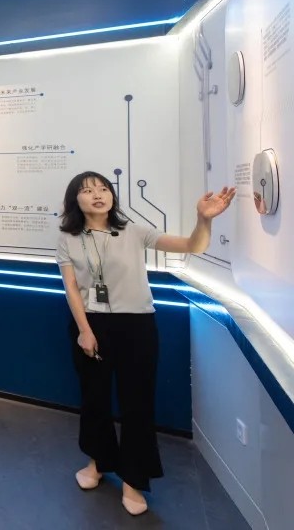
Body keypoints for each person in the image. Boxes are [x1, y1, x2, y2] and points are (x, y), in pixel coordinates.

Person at [56, 171, 234, 516]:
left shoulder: (134, 231)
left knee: (137, 403)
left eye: (103, 188)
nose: (98, 194)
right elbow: (72, 288)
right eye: (88, 190)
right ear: (74, 199)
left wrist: (204, 220)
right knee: (94, 399)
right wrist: (84, 330)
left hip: (137, 325)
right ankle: (98, 462)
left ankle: (134, 479)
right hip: (91, 323)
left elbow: (193, 246)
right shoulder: (68, 237)